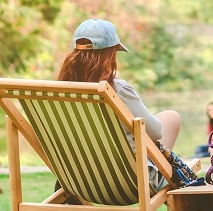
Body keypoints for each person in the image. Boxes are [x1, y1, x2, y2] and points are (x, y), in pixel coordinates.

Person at [57, 18, 181, 193]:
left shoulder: (59, 93)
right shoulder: (116, 89)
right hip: (132, 181)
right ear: (110, 54)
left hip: (80, 179)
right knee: (170, 117)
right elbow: (155, 132)